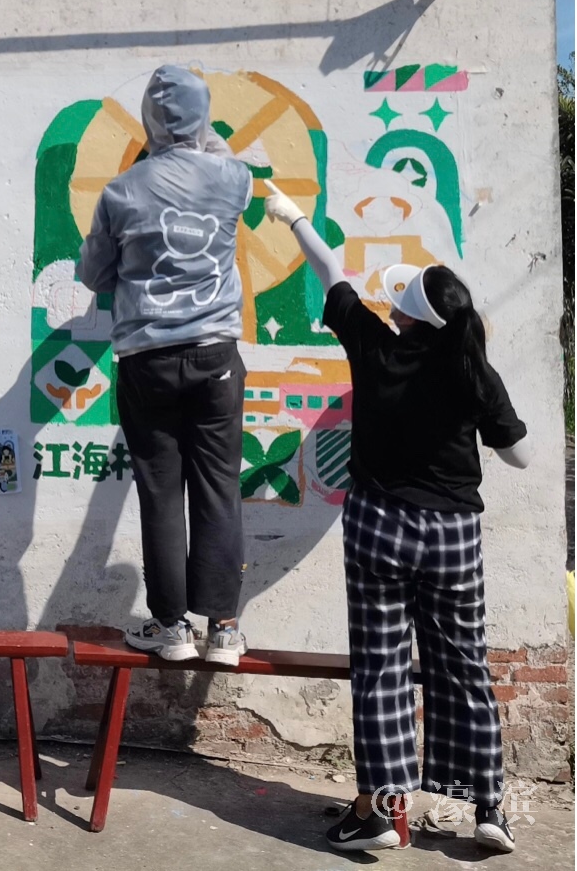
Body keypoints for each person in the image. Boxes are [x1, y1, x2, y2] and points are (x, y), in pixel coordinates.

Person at [265, 182, 531, 854]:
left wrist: (294, 217)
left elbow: (330, 269)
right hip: (454, 534)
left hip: (379, 526)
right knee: (463, 663)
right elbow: (519, 454)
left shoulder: (373, 344)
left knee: (382, 668)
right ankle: (488, 807)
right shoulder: (474, 369)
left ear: (407, 317)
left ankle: (381, 812)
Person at [76, 65, 254, 666]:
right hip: (216, 355)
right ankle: (224, 628)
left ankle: (172, 627)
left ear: (148, 119)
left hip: (146, 358)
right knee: (219, 485)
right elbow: (219, 153)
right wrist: (197, 138)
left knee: (159, 491)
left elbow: (94, 276)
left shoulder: (121, 192)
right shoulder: (233, 178)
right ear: (204, 117)